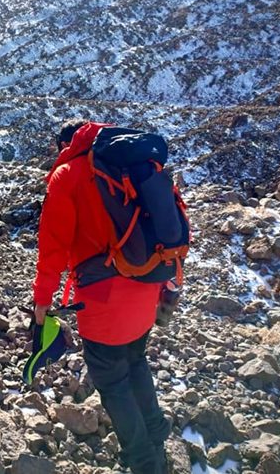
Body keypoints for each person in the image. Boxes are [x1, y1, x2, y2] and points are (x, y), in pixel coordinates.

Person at [32, 119, 173, 474]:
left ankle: (143, 461)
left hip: (104, 301)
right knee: (136, 361)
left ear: (66, 144)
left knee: (111, 380)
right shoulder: (131, 169)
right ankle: (156, 432)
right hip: (147, 286)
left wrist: (41, 304)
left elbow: (53, 250)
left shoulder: (68, 175)